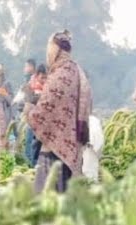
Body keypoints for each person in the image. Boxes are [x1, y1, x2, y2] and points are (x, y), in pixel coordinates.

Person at [28, 30, 92, 193]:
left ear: (56, 49)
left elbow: (44, 111)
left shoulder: (60, 73)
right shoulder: (76, 71)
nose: (48, 53)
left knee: (47, 200)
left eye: (49, 48)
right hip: (70, 148)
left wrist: (29, 111)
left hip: (54, 149)